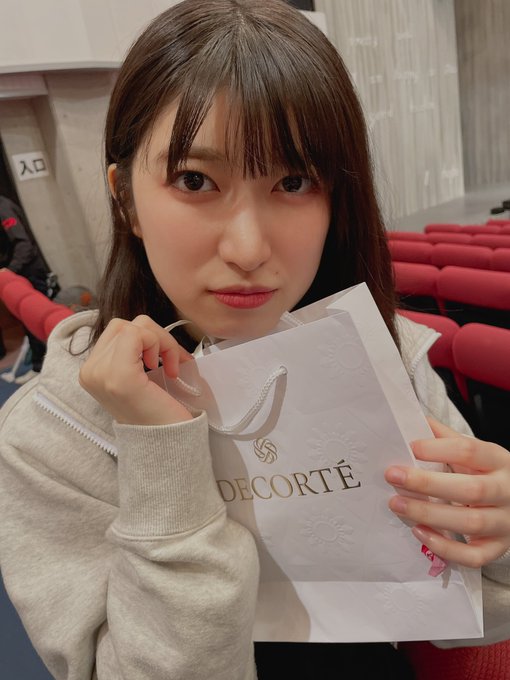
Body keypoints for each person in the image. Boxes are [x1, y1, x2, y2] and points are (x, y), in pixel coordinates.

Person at [0, 1, 509, 678]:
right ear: (125, 200)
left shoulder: (390, 361)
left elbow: (467, 621)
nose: (247, 248)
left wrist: (499, 542)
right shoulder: (52, 435)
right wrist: (162, 459)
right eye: (194, 180)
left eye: (293, 182)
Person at [0, 194, 50, 378]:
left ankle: (40, 367)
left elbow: (23, 244)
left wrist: (9, 271)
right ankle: (38, 367)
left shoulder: (3, 207)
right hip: (22, 274)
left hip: (29, 273)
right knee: (30, 323)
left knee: (35, 321)